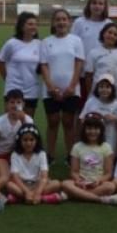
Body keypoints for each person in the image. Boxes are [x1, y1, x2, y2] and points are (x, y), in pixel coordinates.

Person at [40, 9, 85, 163]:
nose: (61, 22)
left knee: (68, 122)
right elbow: (44, 65)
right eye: (58, 19)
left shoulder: (76, 41)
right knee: (52, 122)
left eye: (64, 19)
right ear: (53, 22)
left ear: (69, 22)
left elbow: (79, 63)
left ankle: (70, 155)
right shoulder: (46, 41)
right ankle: (50, 155)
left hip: (71, 90)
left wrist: (72, 86)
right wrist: (50, 86)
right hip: (50, 91)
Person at [61, 113, 117, 205]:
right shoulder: (77, 147)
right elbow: (74, 171)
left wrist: (99, 181)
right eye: (89, 128)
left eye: (96, 129)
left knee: (111, 186)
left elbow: (108, 173)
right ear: (84, 130)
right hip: (81, 183)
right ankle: (101, 200)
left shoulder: (106, 147)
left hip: (98, 184)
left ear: (101, 130)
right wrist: (78, 181)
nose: (92, 131)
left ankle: (74, 195)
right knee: (65, 183)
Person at [6, 123, 66, 205]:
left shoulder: (41, 154)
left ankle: (22, 198)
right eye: (25, 140)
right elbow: (15, 177)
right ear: (20, 140)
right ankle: (43, 198)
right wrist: (26, 191)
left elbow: (44, 176)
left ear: (36, 140)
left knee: (56, 183)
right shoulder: (15, 154)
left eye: (31, 140)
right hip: (21, 184)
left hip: (37, 184)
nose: (28, 143)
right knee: (9, 185)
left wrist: (38, 192)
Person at [0, 12, 41, 117]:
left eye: (35, 24)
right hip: (13, 89)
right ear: (22, 26)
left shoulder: (39, 44)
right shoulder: (12, 43)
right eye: (30, 24)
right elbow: (1, 61)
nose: (33, 27)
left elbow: (42, 66)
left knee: (27, 124)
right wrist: (8, 79)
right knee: (11, 123)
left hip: (31, 91)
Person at [0, 89, 33, 190]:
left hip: (19, 155)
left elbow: (30, 141)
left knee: (24, 178)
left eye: (18, 102)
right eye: (12, 102)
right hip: (1, 155)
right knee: (5, 177)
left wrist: (22, 120)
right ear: (6, 105)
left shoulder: (28, 120)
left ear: (23, 104)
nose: (15, 105)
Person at [72, 0, 111, 101]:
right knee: (82, 105)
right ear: (89, 5)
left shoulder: (108, 23)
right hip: (83, 73)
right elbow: (72, 46)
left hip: (102, 72)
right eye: (94, 3)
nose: (97, 6)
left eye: (100, 4)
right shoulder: (79, 22)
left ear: (105, 7)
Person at [84, 23, 117, 107]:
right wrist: (90, 93)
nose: (112, 36)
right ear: (103, 33)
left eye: (115, 35)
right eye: (109, 32)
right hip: (99, 93)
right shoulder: (94, 52)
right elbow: (88, 75)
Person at [80, 74, 117, 152]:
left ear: (112, 89)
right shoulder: (91, 102)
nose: (104, 89)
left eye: (107, 87)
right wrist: (91, 119)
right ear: (97, 88)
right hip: (92, 138)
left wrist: (115, 118)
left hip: (110, 139)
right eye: (101, 87)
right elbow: (82, 119)